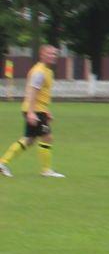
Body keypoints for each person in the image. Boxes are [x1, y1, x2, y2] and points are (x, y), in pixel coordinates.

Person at [1, 45, 62, 178]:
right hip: (35, 109)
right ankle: (46, 170)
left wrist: (46, 111)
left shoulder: (48, 71)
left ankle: (2, 163)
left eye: (54, 54)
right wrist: (31, 112)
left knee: (29, 139)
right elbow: (32, 92)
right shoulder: (39, 71)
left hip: (39, 109)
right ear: (42, 55)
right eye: (49, 54)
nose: (52, 56)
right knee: (45, 137)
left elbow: (41, 94)